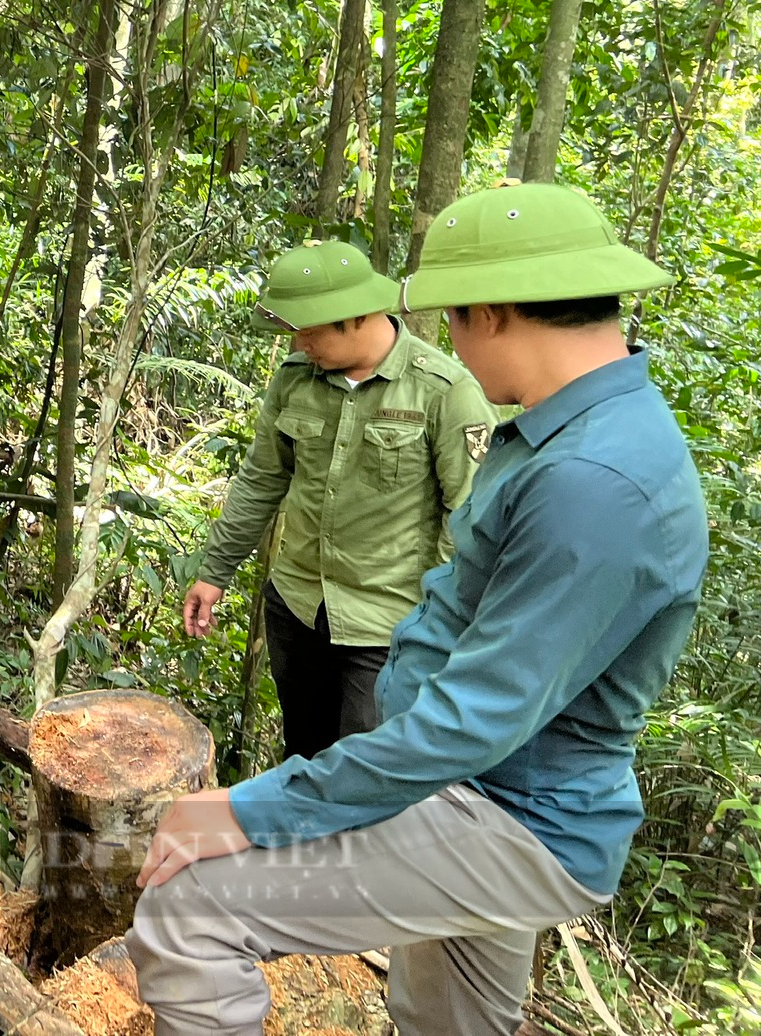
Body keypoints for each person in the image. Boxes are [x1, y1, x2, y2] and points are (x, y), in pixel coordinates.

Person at [128, 183, 708, 1036]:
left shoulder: (595, 485)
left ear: (492, 313)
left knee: (190, 908)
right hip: (479, 789)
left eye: (455, 318)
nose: (457, 345)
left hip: (505, 811)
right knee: (445, 1020)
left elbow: (470, 724)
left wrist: (245, 808)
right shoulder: (567, 434)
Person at [181, 240, 494, 761]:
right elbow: (261, 480)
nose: (299, 344)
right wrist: (214, 572)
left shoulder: (444, 391)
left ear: (356, 316)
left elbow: (468, 519)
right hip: (298, 605)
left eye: (308, 330)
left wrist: (433, 627)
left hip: (386, 626)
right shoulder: (294, 381)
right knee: (302, 758)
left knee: (364, 778)